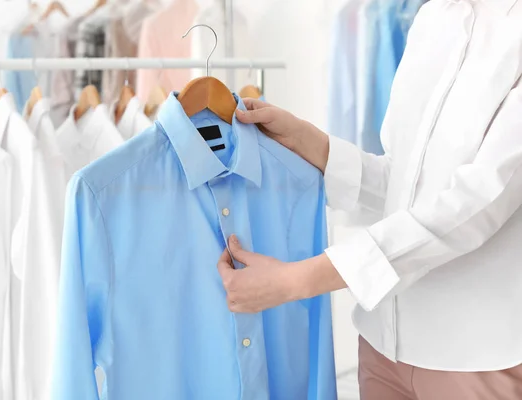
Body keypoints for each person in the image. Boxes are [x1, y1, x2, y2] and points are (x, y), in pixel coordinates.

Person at [216, 1, 522, 399]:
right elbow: (402, 186)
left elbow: (473, 208)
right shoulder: (433, 19)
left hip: (472, 359)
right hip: (381, 347)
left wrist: (298, 280)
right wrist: (312, 144)